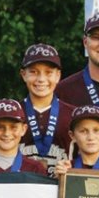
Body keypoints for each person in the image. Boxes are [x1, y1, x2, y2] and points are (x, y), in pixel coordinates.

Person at [18, 43, 74, 178]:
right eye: (33, 72)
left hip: (62, 192)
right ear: (23, 74)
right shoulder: (12, 114)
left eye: (48, 72)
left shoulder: (74, 115)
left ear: (58, 75)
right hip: (22, 190)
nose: (41, 79)